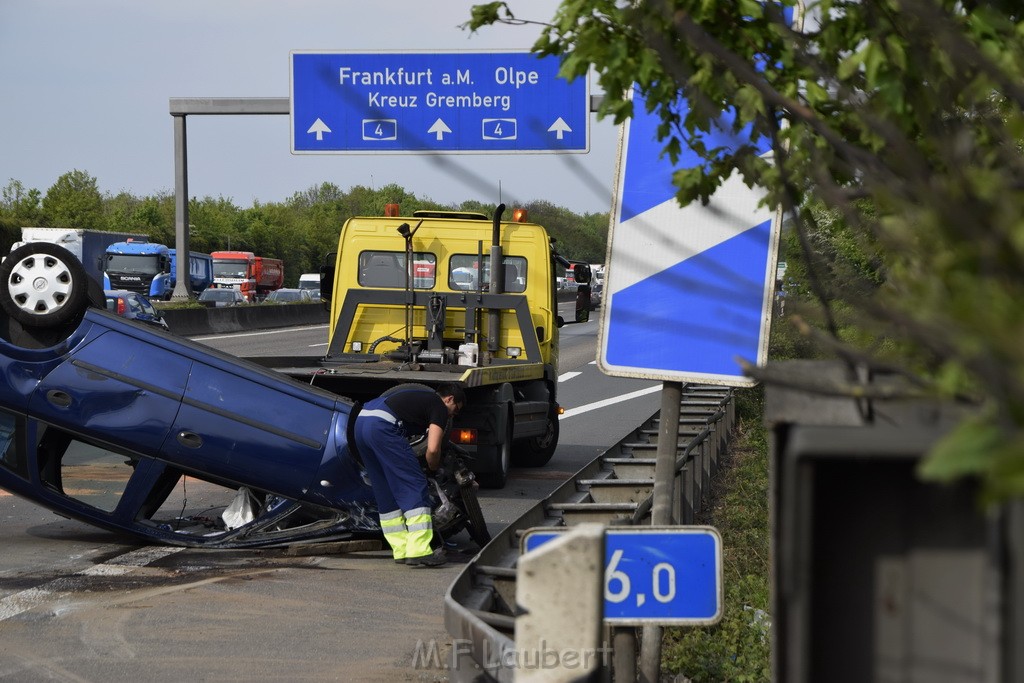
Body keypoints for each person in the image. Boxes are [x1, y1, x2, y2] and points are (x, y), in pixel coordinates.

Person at [353, 383, 466, 567]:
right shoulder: (439, 406)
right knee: (414, 484)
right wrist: (433, 466)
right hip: (382, 427)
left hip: (361, 424)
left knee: (385, 490)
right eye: (456, 409)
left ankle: (401, 548)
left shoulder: (418, 397)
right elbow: (432, 448)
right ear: (449, 399)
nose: (453, 414)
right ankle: (419, 550)